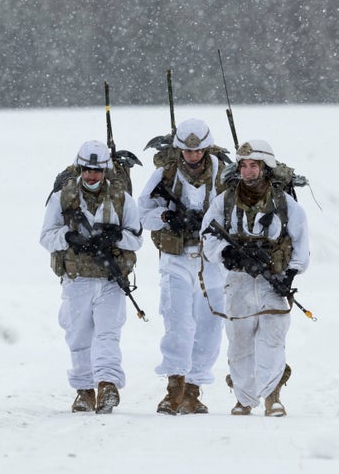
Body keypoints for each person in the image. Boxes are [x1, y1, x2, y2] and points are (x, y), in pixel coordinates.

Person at [201, 139, 309, 416]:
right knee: (239, 342)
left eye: (254, 166)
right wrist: (228, 254)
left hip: (273, 279)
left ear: (266, 167)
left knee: (272, 340)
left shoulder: (285, 204)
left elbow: (300, 245)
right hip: (238, 281)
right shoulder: (224, 201)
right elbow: (208, 238)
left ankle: (273, 396)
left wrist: (289, 276)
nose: (248, 172)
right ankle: (244, 398)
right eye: (244, 165)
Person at [40, 140, 143, 414]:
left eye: (97, 171)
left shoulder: (122, 198)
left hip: (111, 279)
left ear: (106, 170)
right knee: (78, 335)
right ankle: (84, 390)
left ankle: (107, 385)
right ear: (80, 168)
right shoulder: (62, 197)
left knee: (108, 333)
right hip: (77, 278)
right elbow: (46, 236)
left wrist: (117, 236)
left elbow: (137, 238)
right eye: (86, 170)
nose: (91, 176)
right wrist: (68, 237)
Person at [137, 118, 227, 415]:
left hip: (211, 259)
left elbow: (234, 211)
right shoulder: (166, 173)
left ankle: (194, 390)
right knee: (177, 322)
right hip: (175, 257)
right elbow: (142, 212)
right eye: (187, 151)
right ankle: (174, 387)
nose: (192, 156)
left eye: (198, 150)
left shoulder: (223, 174)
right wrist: (167, 217)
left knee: (210, 324)